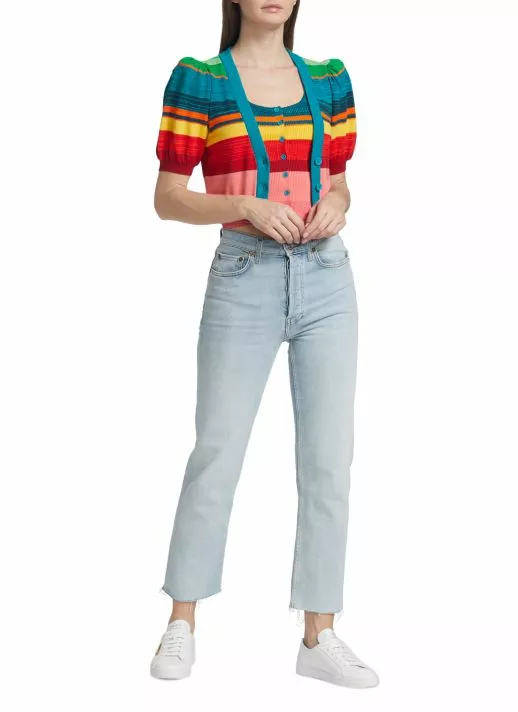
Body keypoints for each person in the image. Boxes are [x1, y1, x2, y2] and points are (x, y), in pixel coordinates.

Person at [149, 0, 379, 689]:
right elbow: (167, 197)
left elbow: (339, 181)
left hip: (327, 278)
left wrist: (337, 204)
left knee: (329, 460)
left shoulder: (330, 79)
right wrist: (243, 205)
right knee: (217, 450)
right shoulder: (200, 79)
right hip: (243, 276)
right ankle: (182, 621)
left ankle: (319, 634)